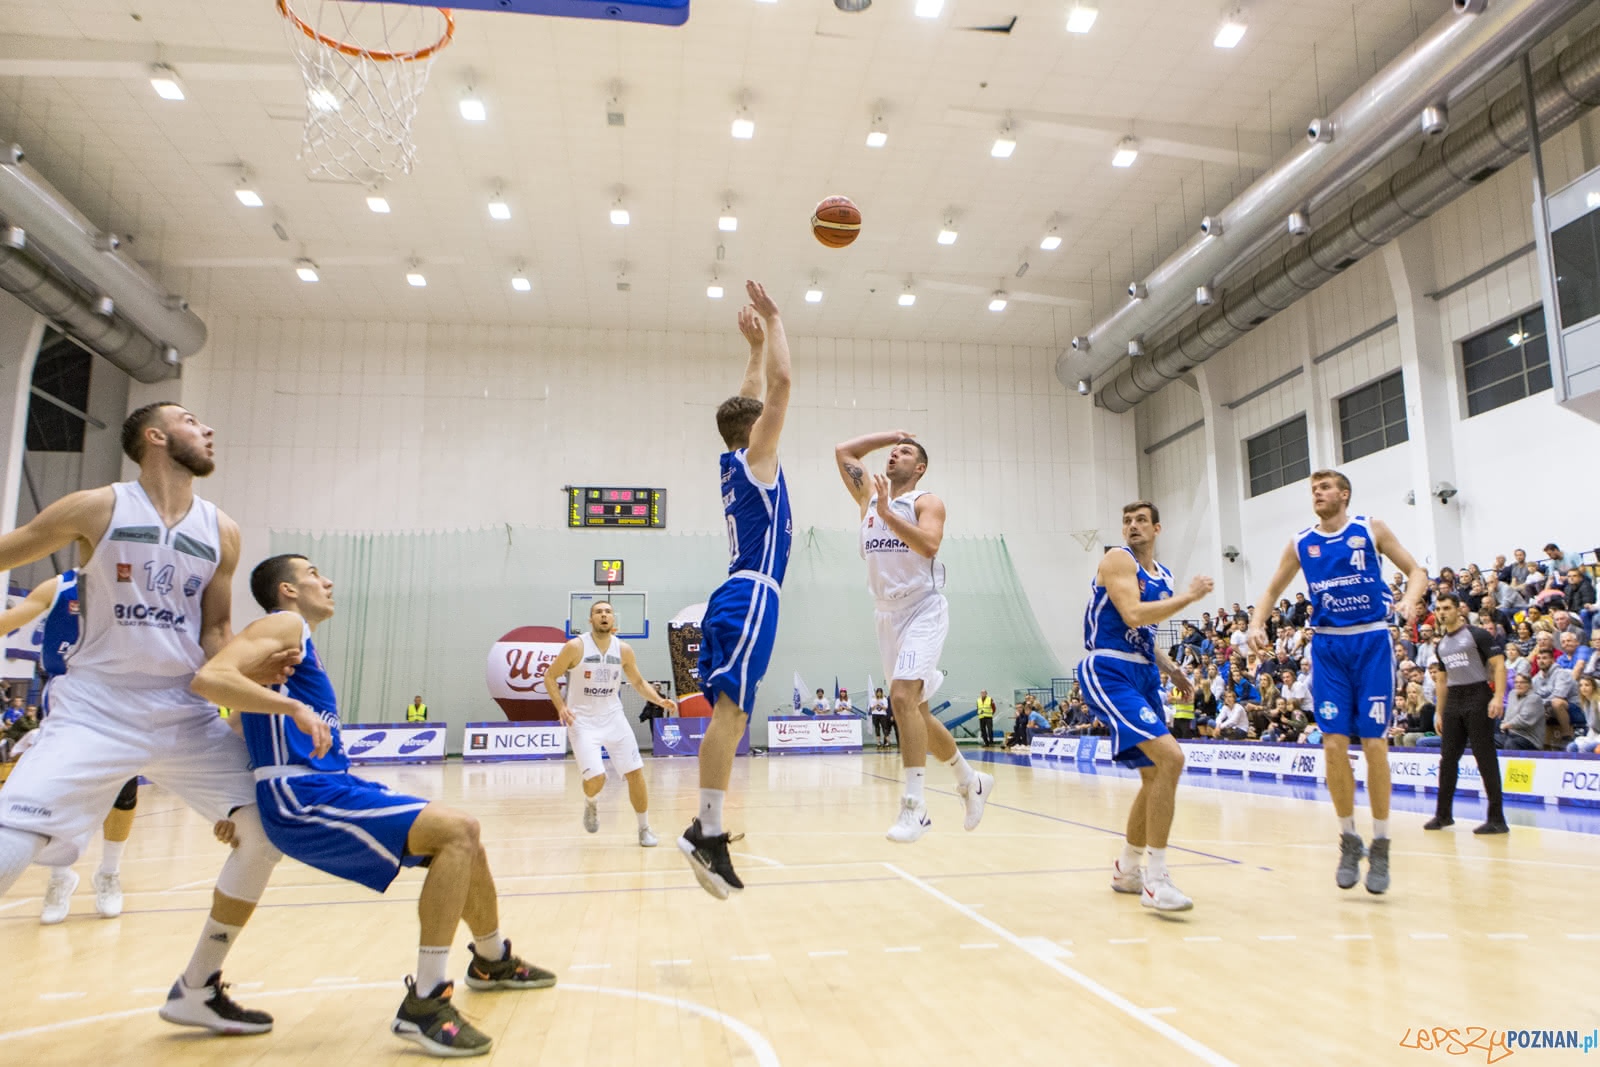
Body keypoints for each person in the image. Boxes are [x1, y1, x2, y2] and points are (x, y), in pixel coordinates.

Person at [0, 402, 297, 1033]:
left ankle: (196, 989)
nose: (208, 428)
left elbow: (215, 632)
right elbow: (11, 550)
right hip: (97, 707)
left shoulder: (223, 530)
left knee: (267, 830)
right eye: (191, 420)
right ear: (157, 437)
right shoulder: (97, 507)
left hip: (183, 711)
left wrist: (244, 676)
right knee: (12, 839)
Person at [193, 553, 556, 1057]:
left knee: (465, 838)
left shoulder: (295, 646)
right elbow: (209, 678)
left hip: (329, 785)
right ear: (288, 590)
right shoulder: (283, 624)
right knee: (458, 830)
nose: (327, 580)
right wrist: (293, 709)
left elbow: (238, 726)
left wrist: (232, 805)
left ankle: (492, 960)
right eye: (313, 573)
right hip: (303, 796)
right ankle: (425, 1002)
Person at [1248, 468, 1427, 895]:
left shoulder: (1370, 528)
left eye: (1325, 488)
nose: (1317, 494)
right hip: (1328, 646)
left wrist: (1409, 599)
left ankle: (1381, 842)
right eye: (1313, 489)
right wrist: (1256, 623)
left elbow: (1416, 571)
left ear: (1344, 494)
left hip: (1371, 642)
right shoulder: (1300, 542)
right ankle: (1348, 837)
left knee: (1375, 745)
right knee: (1332, 745)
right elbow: (1271, 590)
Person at [678, 282, 793, 900]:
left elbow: (749, 400)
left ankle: (709, 824)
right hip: (752, 594)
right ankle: (707, 831)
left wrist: (750, 352)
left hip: (739, 591)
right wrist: (773, 322)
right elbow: (780, 387)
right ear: (754, 432)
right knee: (731, 712)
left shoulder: (732, 462)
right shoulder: (757, 460)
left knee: (735, 710)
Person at [834, 426, 992, 843]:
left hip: (922, 608)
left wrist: (889, 516)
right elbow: (844, 450)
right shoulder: (869, 497)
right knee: (916, 712)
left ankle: (915, 806)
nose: (894, 455)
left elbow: (929, 545)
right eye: (894, 452)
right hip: (886, 615)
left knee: (901, 698)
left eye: (905, 453)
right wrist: (891, 436)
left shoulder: (926, 501)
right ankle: (970, 779)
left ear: (920, 468)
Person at [1075, 500, 1214, 912]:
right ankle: (1157, 879)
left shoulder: (1163, 575)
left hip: (1144, 672)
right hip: (1111, 667)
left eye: (1140, 520)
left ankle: (1128, 868)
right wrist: (1189, 598)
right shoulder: (1119, 560)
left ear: (1157, 528)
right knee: (1172, 758)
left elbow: (1145, 636)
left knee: (1155, 775)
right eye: (1127, 521)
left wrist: (1171, 669)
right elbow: (1134, 615)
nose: (1132, 526)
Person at [0, 572, 140, 924]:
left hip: (118, 698)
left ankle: (109, 872)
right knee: (56, 792)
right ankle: (60, 877)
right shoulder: (60, 587)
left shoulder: (136, 586)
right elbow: (10, 620)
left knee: (124, 790)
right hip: (66, 699)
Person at [544, 600, 676, 848]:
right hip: (582, 722)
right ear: (590, 620)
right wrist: (561, 706)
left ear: (613, 619)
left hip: (614, 718)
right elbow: (550, 676)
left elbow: (638, 682)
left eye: (608, 612)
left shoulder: (623, 650)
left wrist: (659, 700)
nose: (603, 615)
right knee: (597, 779)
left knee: (635, 773)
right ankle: (591, 802)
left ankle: (644, 828)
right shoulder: (575, 647)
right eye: (598, 612)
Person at [1424, 593, 1508, 835]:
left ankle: (1497, 819)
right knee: (1448, 758)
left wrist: (1498, 697)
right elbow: (1442, 680)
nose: (1442, 613)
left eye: (1446, 608)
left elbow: (1499, 665)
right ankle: (1443, 815)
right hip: (1454, 700)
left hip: (1478, 695)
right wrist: (1439, 712)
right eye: (1439, 609)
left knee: (1485, 757)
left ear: (1458, 610)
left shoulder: (1477, 634)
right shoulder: (1441, 644)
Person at [1497, 666, 1546, 750]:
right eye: (1516, 682)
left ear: (1529, 685)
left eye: (1522, 682)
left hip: (1528, 739)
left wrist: (1505, 725)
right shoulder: (1512, 694)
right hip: (1510, 735)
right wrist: (1504, 724)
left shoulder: (1534, 698)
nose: (1518, 685)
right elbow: (1508, 715)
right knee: (1488, 740)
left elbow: (1523, 720)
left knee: (1510, 744)